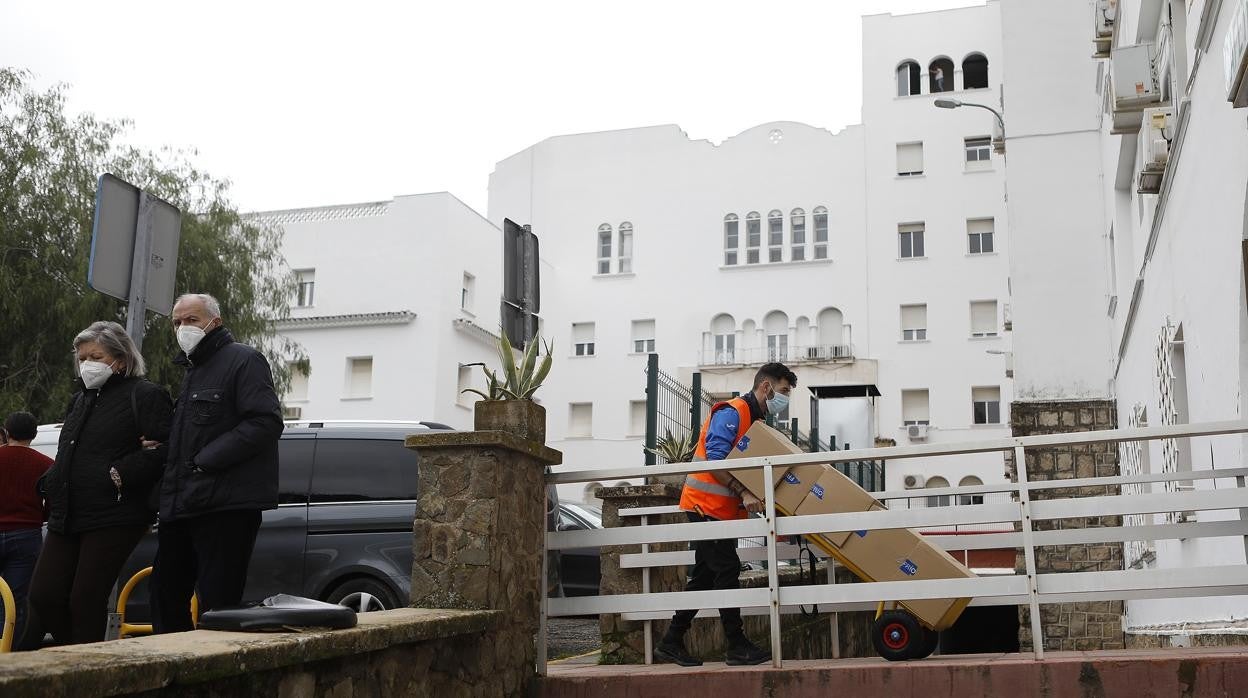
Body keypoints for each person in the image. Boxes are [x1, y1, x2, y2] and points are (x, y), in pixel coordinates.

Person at [27, 322, 173, 645]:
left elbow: (166, 450)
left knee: (85, 600)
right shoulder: (80, 400)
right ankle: (81, 658)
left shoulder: (145, 395)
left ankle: (87, 671)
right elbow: (71, 450)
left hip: (115, 514)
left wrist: (120, 472)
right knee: (43, 595)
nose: (87, 363)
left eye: (95, 355)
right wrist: (50, 482)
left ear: (120, 360)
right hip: (68, 513)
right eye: (82, 357)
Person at [150, 293, 284, 633]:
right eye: (177, 322)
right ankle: (173, 673)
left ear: (215, 322)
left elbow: (265, 423)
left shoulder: (244, 360)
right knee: (164, 595)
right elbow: (198, 432)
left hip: (226, 506)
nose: (183, 328)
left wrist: (204, 462)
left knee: (218, 605)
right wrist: (165, 446)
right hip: (183, 504)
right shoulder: (192, 371)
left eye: (191, 320)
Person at [653, 362, 797, 667]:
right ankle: (736, 644)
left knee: (705, 576)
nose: (785, 399)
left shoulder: (754, 422)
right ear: (766, 387)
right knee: (728, 569)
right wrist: (744, 492)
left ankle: (671, 641)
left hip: (717, 511)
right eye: (783, 391)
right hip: (704, 506)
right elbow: (715, 460)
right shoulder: (732, 412)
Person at [0, 412, 54, 647]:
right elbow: (53, 503)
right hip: (26, 534)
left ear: (7, 432)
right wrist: (38, 516)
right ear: (33, 435)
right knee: (15, 600)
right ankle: (8, 652)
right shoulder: (46, 464)